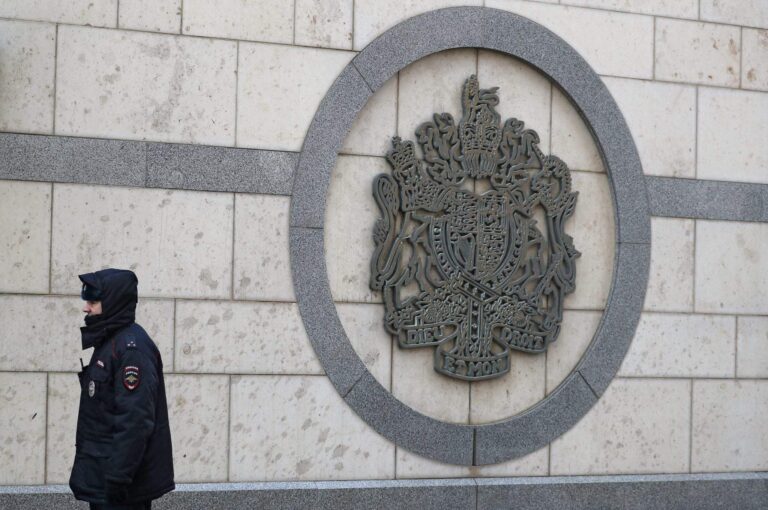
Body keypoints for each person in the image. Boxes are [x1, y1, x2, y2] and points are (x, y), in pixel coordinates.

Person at [69, 268, 174, 510]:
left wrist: (118, 478)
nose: (86, 308)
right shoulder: (110, 342)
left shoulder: (131, 350)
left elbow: (135, 421)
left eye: (93, 302)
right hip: (106, 479)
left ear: (112, 302)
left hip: (121, 489)